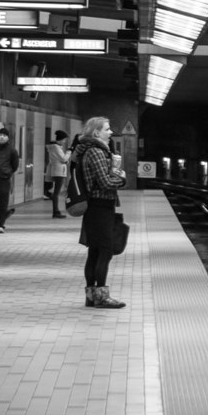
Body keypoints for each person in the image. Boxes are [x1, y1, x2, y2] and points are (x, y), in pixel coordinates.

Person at [72, 116, 127, 308]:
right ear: (96, 133)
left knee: (94, 252)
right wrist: (121, 179)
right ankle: (102, 297)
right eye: (107, 129)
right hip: (100, 206)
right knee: (105, 251)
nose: (111, 132)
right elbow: (104, 182)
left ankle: (91, 296)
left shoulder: (90, 150)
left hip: (96, 207)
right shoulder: (96, 152)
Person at [45, 129, 72, 218]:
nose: (64, 141)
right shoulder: (56, 147)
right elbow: (64, 159)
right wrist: (69, 152)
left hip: (57, 170)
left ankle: (56, 210)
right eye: (64, 139)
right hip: (59, 172)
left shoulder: (54, 147)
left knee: (56, 192)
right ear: (61, 139)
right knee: (56, 193)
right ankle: (56, 211)